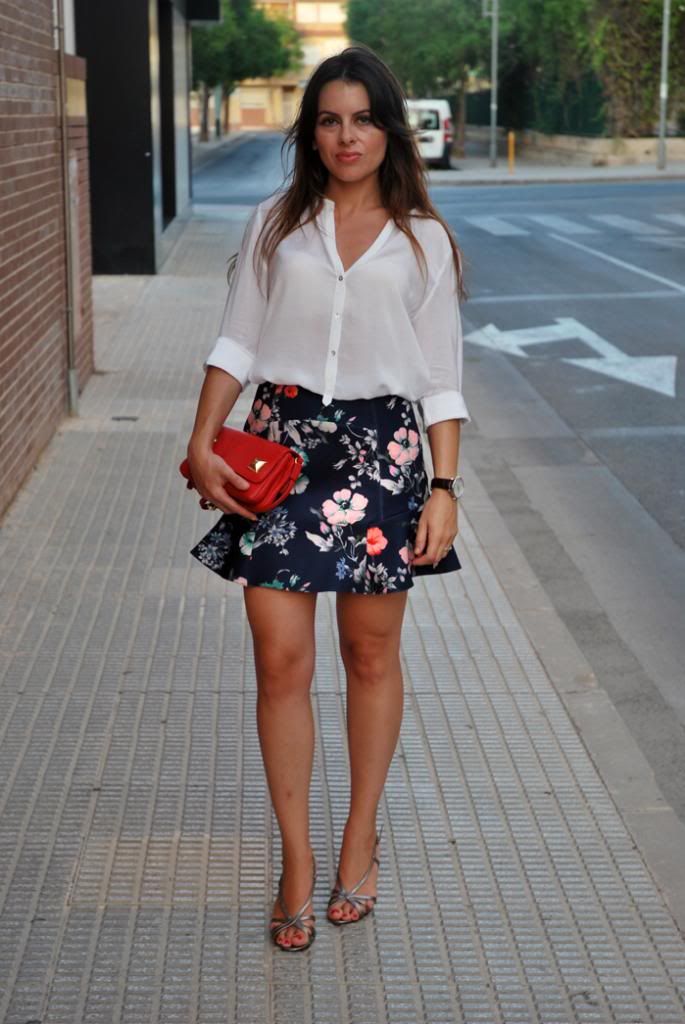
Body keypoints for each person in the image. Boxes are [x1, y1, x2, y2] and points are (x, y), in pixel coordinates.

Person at [185, 45, 470, 952]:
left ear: (389, 129)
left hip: (383, 453)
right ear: (311, 132)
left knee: (368, 657)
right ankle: (297, 858)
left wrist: (446, 487)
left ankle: (359, 837)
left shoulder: (424, 238)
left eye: (363, 118)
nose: (347, 136)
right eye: (329, 119)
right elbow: (237, 339)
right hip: (280, 445)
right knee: (279, 660)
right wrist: (200, 439)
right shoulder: (275, 222)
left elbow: (441, 379)